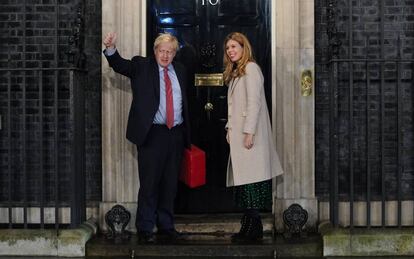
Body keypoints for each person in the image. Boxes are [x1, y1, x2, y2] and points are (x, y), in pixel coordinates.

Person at [103, 32, 191, 243]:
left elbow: (185, 101)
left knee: (170, 184)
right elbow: (120, 65)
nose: (166, 55)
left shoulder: (181, 70)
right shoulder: (142, 66)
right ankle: (145, 227)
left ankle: (166, 226)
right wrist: (111, 48)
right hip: (152, 134)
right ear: (155, 51)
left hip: (175, 133)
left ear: (174, 54)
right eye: (162, 51)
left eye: (170, 51)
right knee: (150, 183)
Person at [223, 32, 284, 242]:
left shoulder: (251, 69)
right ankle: (248, 226)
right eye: (228, 48)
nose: (230, 51)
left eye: (234, 46)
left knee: (251, 183)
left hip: (250, 137)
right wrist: (230, 128)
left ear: (243, 47)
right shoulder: (237, 71)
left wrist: (249, 132)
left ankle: (253, 229)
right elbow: (235, 106)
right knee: (245, 183)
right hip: (240, 136)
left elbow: (254, 103)